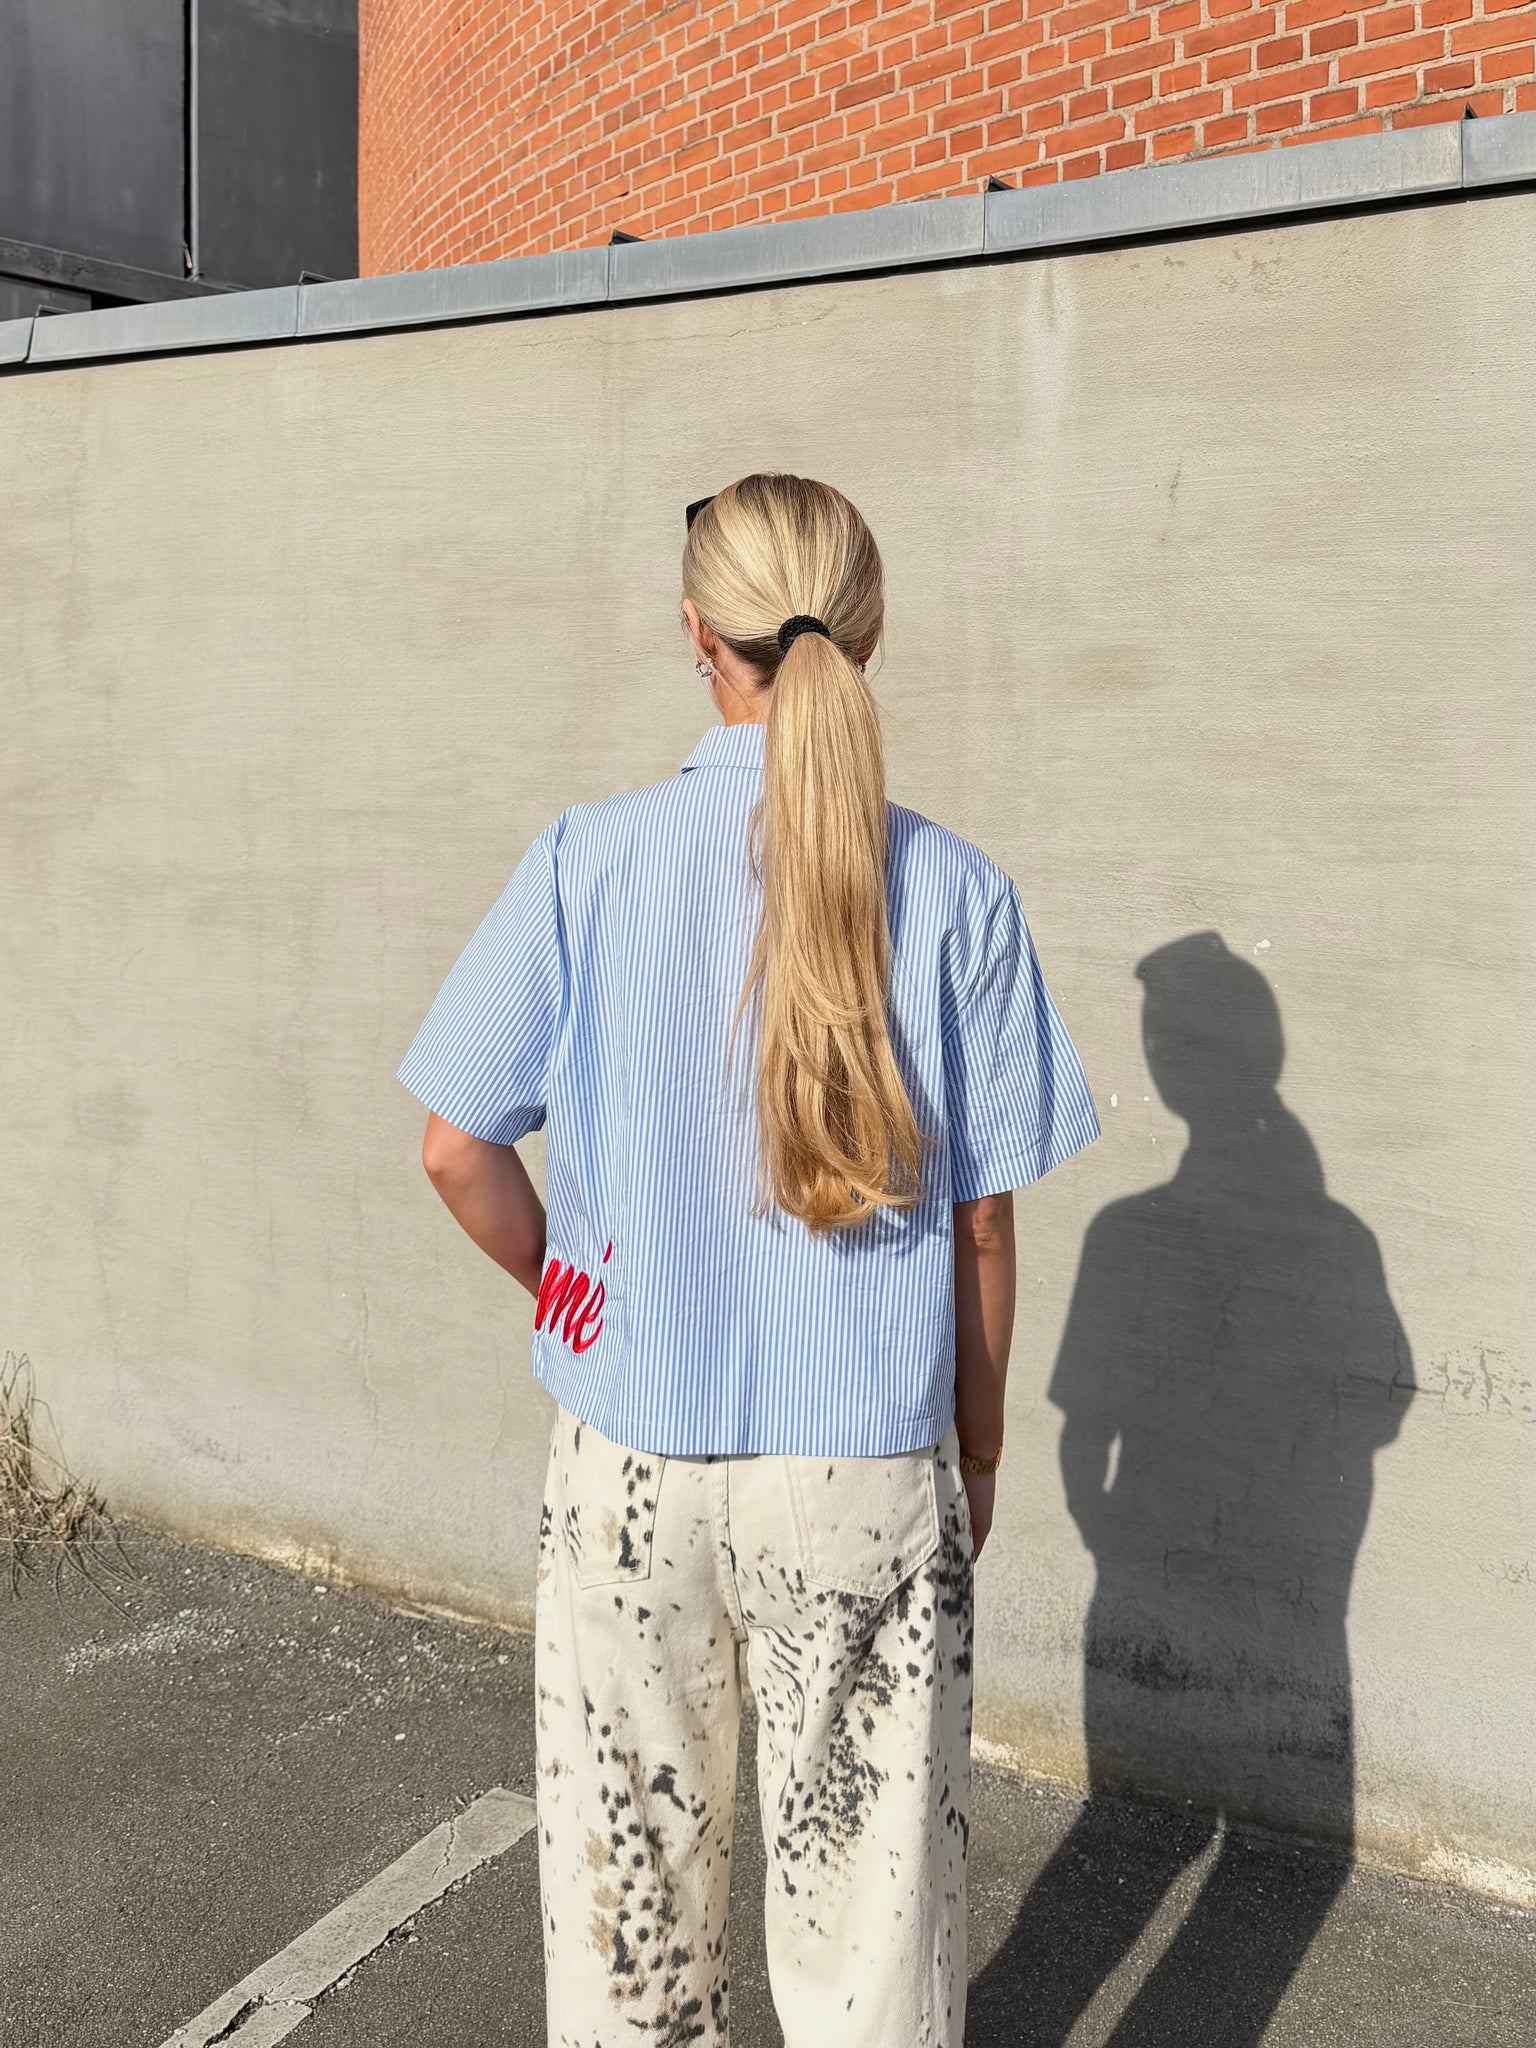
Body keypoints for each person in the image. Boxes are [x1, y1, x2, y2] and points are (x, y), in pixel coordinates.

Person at [395, 472, 1100, 2048]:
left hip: (631, 1469)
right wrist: (980, 1452)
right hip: (866, 1477)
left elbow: (454, 1148)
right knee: (871, 1953)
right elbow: (985, 1224)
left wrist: (573, 1290)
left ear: (697, 636)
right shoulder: (962, 893)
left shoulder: (587, 861)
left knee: (632, 1942)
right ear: (868, 633)